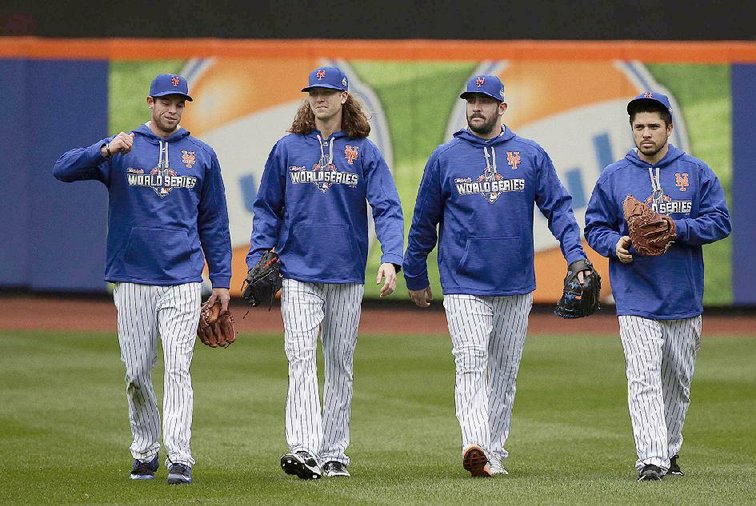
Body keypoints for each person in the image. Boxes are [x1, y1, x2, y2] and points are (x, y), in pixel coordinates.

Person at [403, 75, 592, 477]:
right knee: (470, 361)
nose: (476, 107)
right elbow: (424, 222)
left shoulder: (529, 155)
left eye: (485, 101)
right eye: (471, 101)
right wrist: (416, 273)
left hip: (515, 282)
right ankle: (475, 444)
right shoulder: (446, 157)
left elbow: (559, 209)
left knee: (504, 373)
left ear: (501, 107)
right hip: (463, 282)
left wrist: (575, 258)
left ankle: (494, 452)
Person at [53, 73, 233, 485]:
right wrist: (104, 149)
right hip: (132, 277)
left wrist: (221, 280)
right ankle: (146, 450)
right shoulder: (123, 149)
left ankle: (180, 457)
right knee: (136, 371)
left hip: (184, 278)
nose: (173, 108)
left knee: (178, 369)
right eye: (166, 101)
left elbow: (215, 223)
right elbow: (62, 170)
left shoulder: (201, 155)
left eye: (180, 102)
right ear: (150, 102)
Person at [247, 65, 404, 480]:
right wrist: (257, 257)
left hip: (345, 275)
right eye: (314, 91)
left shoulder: (363, 151)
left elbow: (387, 206)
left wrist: (391, 256)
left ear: (344, 97)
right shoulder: (287, 149)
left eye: (327, 91)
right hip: (297, 272)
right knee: (300, 358)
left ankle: (335, 452)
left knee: (338, 363)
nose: (319, 98)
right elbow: (266, 207)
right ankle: (303, 447)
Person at [584, 91, 731, 481]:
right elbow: (595, 226)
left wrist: (677, 228)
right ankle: (651, 459)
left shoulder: (696, 172)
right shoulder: (615, 176)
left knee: (677, 384)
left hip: (683, 296)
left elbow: (720, 220)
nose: (645, 133)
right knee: (643, 377)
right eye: (638, 127)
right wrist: (613, 244)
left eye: (653, 126)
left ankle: (668, 451)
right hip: (636, 296)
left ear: (669, 127)